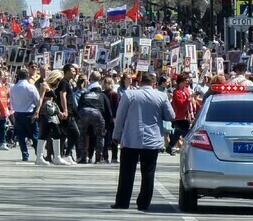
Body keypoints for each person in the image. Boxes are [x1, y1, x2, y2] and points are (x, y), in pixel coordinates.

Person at [111, 72, 174, 211]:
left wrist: (116, 134)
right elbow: (170, 116)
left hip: (131, 139)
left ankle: (122, 201)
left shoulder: (130, 95)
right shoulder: (161, 96)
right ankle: (144, 203)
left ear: (140, 82)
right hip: (152, 141)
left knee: (127, 172)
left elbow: (120, 116)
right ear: (154, 83)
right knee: (148, 173)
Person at [75, 70, 112, 164]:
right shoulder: (102, 95)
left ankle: (83, 157)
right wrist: (106, 127)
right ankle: (99, 158)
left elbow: (79, 107)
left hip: (83, 112)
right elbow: (108, 112)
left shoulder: (84, 94)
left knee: (82, 136)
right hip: (96, 113)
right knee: (100, 136)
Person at [33, 70, 67, 166]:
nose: (58, 81)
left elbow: (53, 103)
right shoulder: (44, 85)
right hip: (45, 112)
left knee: (52, 133)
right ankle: (44, 157)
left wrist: (59, 112)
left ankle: (53, 157)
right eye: (58, 79)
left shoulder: (51, 86)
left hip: (51, 112)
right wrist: (37, 111)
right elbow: (41, 98)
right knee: (48, 133)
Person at [8, 68, 39, 162]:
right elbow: (37, 99)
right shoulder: (31, 86)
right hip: (29, 112)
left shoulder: (13, 87)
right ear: (27, 76)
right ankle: (39, 153)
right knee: (34, 134)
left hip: (18, 113)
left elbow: (12, 101)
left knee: (21, 136)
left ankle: (25, 154)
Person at [167, 73, 195, 156]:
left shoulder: (186, 90)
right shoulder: (176, 92)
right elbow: (181, 103)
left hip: (187, 115)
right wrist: (189, 98)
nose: (187, 83)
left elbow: (190, 101)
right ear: (181, 82)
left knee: (178, 133)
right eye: (185, 81)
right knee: (187, 133)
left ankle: (170, 147)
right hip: (180, 116)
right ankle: (189, 149)